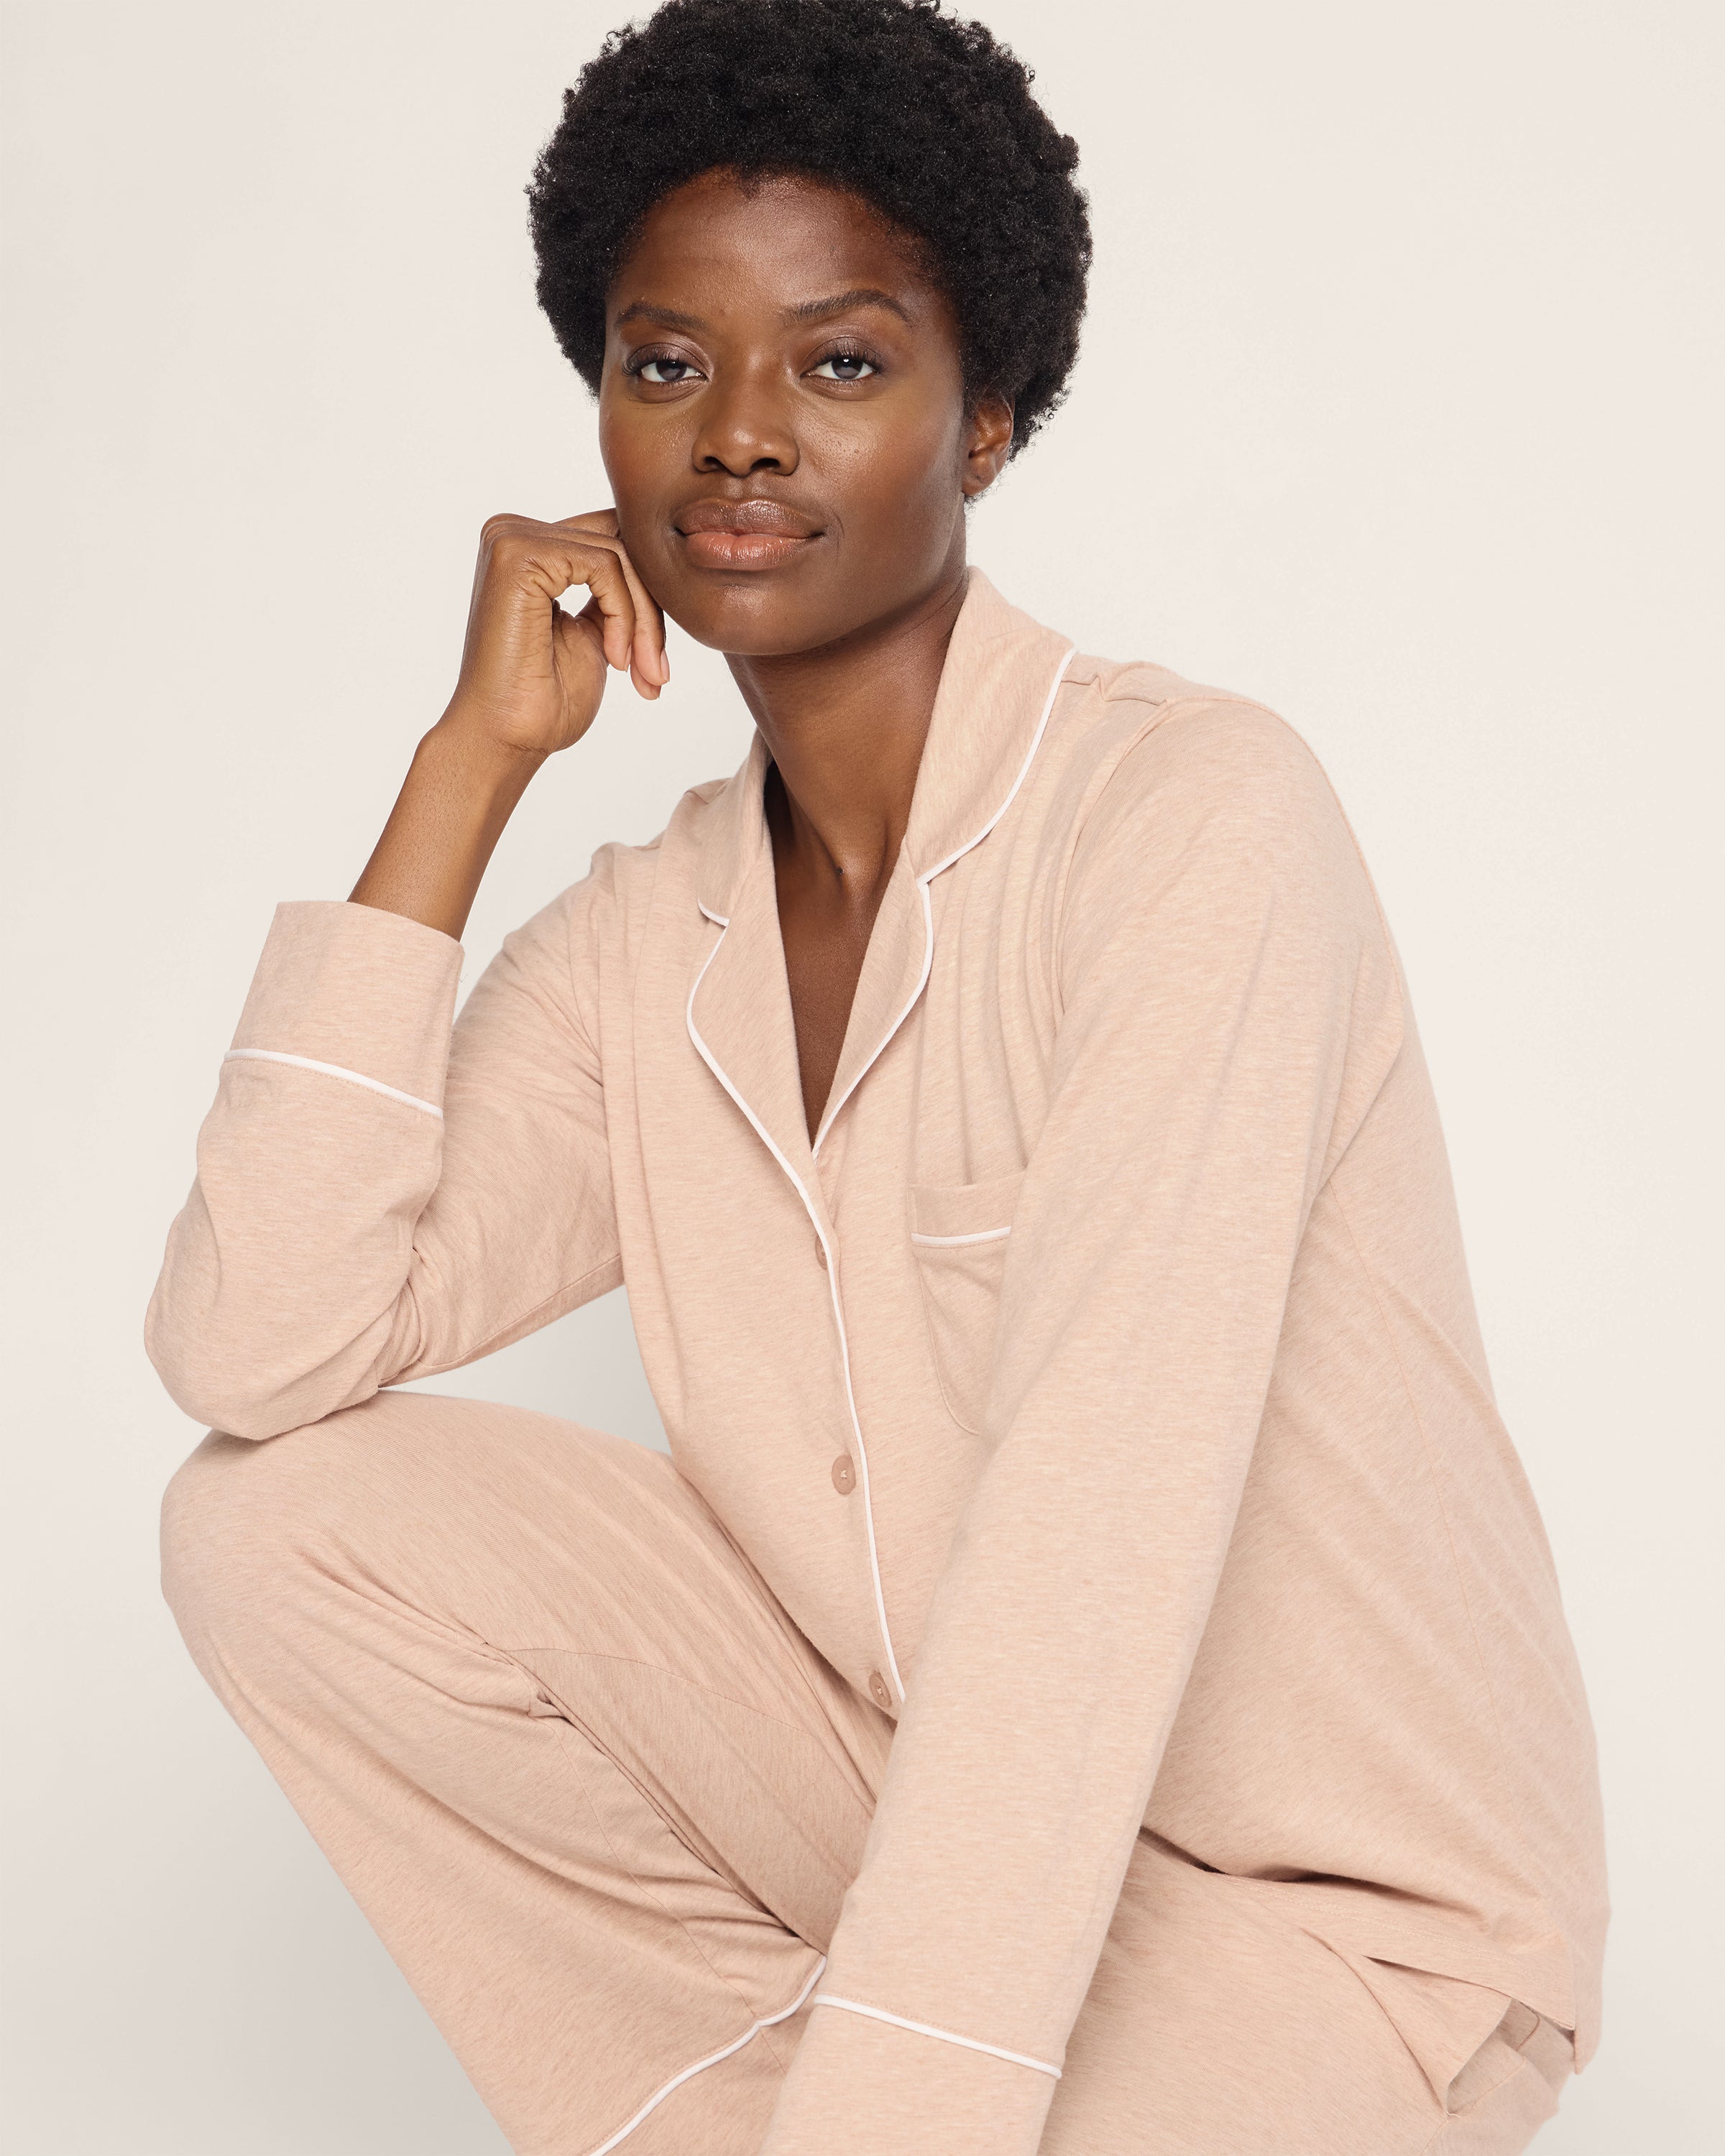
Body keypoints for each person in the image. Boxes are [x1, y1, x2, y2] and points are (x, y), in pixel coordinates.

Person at [146, 2, 1609, 2151]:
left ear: (989, 418)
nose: (739, 433)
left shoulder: (1191, 818)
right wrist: (464, 773)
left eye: (840, 363)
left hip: (1332, 1915)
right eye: (669, 365)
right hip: (914, 1828)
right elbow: (258, 1348)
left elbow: (1094, 1535)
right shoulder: (650, 938)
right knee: (276, 1523)